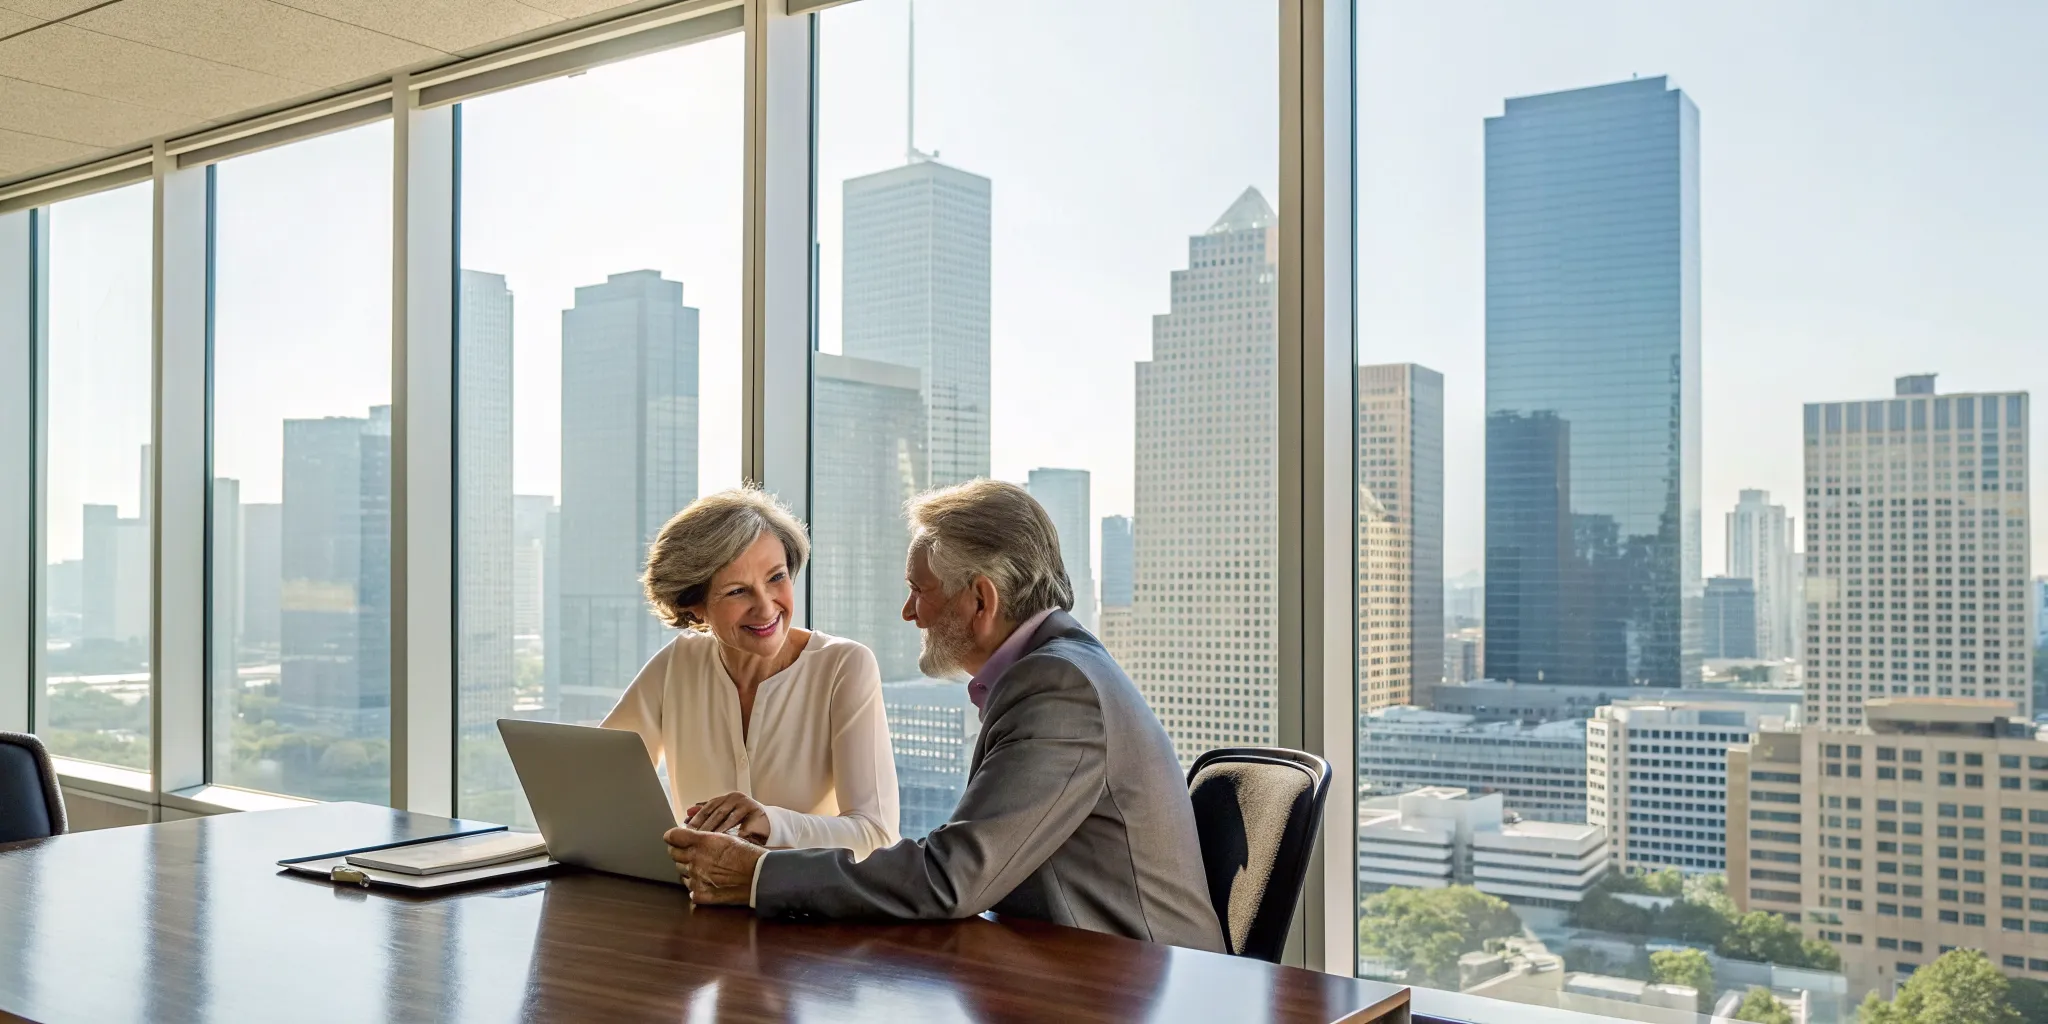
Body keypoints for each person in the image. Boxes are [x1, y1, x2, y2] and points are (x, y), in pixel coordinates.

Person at [666, 480, 1224, 953]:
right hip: (1079, 965)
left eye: (919, 591)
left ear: (981, 601)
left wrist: (758, 875)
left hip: (1138, 986)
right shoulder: (1056, 669)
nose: (909, 613)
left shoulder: (1059, 689)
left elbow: (954, 876)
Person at [603, 487, 899, 858]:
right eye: (738, 591)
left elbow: (876, 834)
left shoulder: (844, 667)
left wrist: (771, 822)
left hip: (803, 910)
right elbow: (598, 779)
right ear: (694, 607)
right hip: (699, 902)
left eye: (776, 578)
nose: (766, 607)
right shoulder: (677, 664)